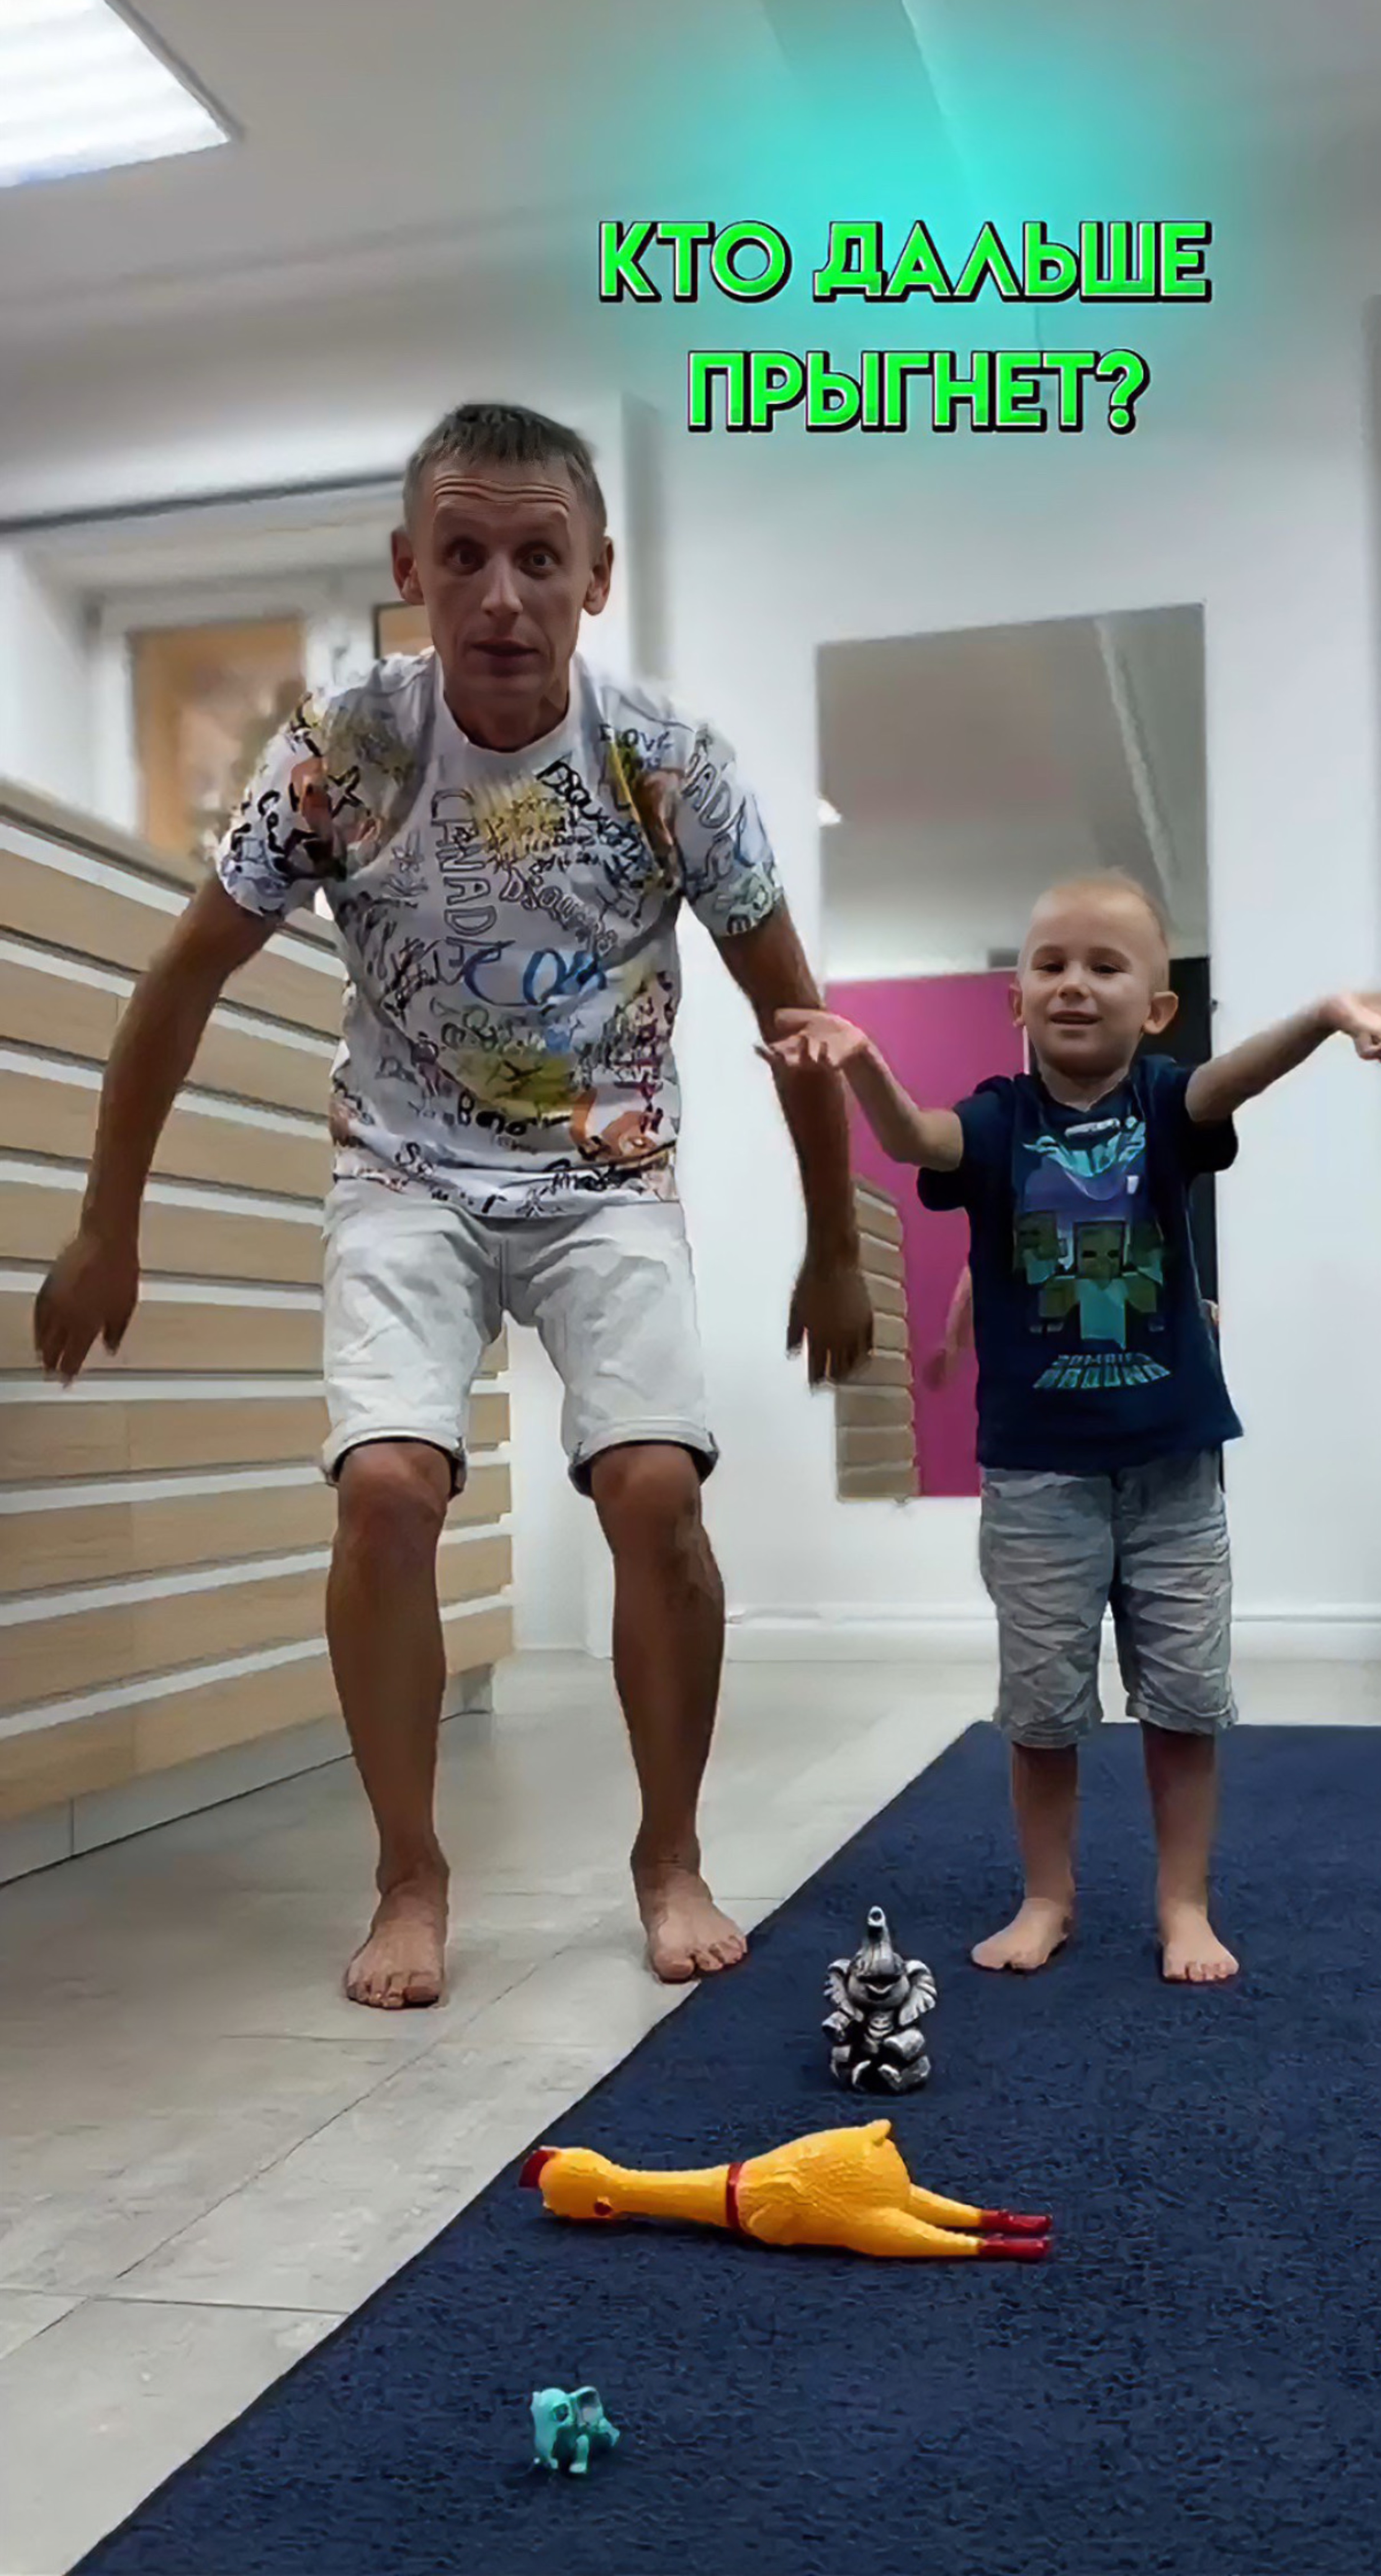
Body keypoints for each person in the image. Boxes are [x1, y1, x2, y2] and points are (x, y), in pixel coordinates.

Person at [34, 402, 873, 2009]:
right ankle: (409, 1874)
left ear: (596, 577)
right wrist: (106, 1221)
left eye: (540, 559)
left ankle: (671, 1854)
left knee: (653, 1490)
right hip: (403, 1167)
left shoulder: (669, 764)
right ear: (409, 568)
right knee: (388, 1492)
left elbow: (794, 1012)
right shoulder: (343, 750)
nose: (502, 596)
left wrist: (839, 1246)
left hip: (606, 1170)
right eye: (465, 555)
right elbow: (181, 979)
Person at [765, 871, 1381, 1985]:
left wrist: (1325, 1017)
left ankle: (1183, 1902)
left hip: (1173, 1468)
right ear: (1018, 1000)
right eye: (1051, 965)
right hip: (1039, 1478)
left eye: (1106, 966)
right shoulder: (998, 1120)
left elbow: (1232, 1079)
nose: (1074, 984)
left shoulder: (1165, 1106)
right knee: (1042, 1709)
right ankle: (1048, 1895)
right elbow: (918, 1140)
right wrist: (866, 1062)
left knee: (1185, 1702)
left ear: (1157, 1009)